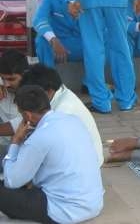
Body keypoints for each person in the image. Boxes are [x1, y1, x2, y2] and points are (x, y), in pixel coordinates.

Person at [1, 85, 103, 223]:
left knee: (5, 188)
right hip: (93, 204)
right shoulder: (73, 120)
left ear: (28, 116)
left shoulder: (40, 137)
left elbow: (11, 181)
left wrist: (16, 141)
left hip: (63, 211)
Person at [18, 64, 104, 166]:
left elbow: (40, 146)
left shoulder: (62, 111)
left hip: (84, 165)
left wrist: (16, 143)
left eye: (33, 95)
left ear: (49, 91)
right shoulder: (59, 93)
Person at [33, 0, 90, 88]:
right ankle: (50, 84)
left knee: (106, 40)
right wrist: (53, 39)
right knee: (41, 40)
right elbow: (39, 20)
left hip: (83, 44)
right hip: (58, 44)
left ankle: (91, 84)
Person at [0, 50, 29, 145]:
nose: (6, 84)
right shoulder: (4, 84)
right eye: (3, 78)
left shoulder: (36, 93)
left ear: (25, 74)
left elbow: (24, 123)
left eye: (11, 79)